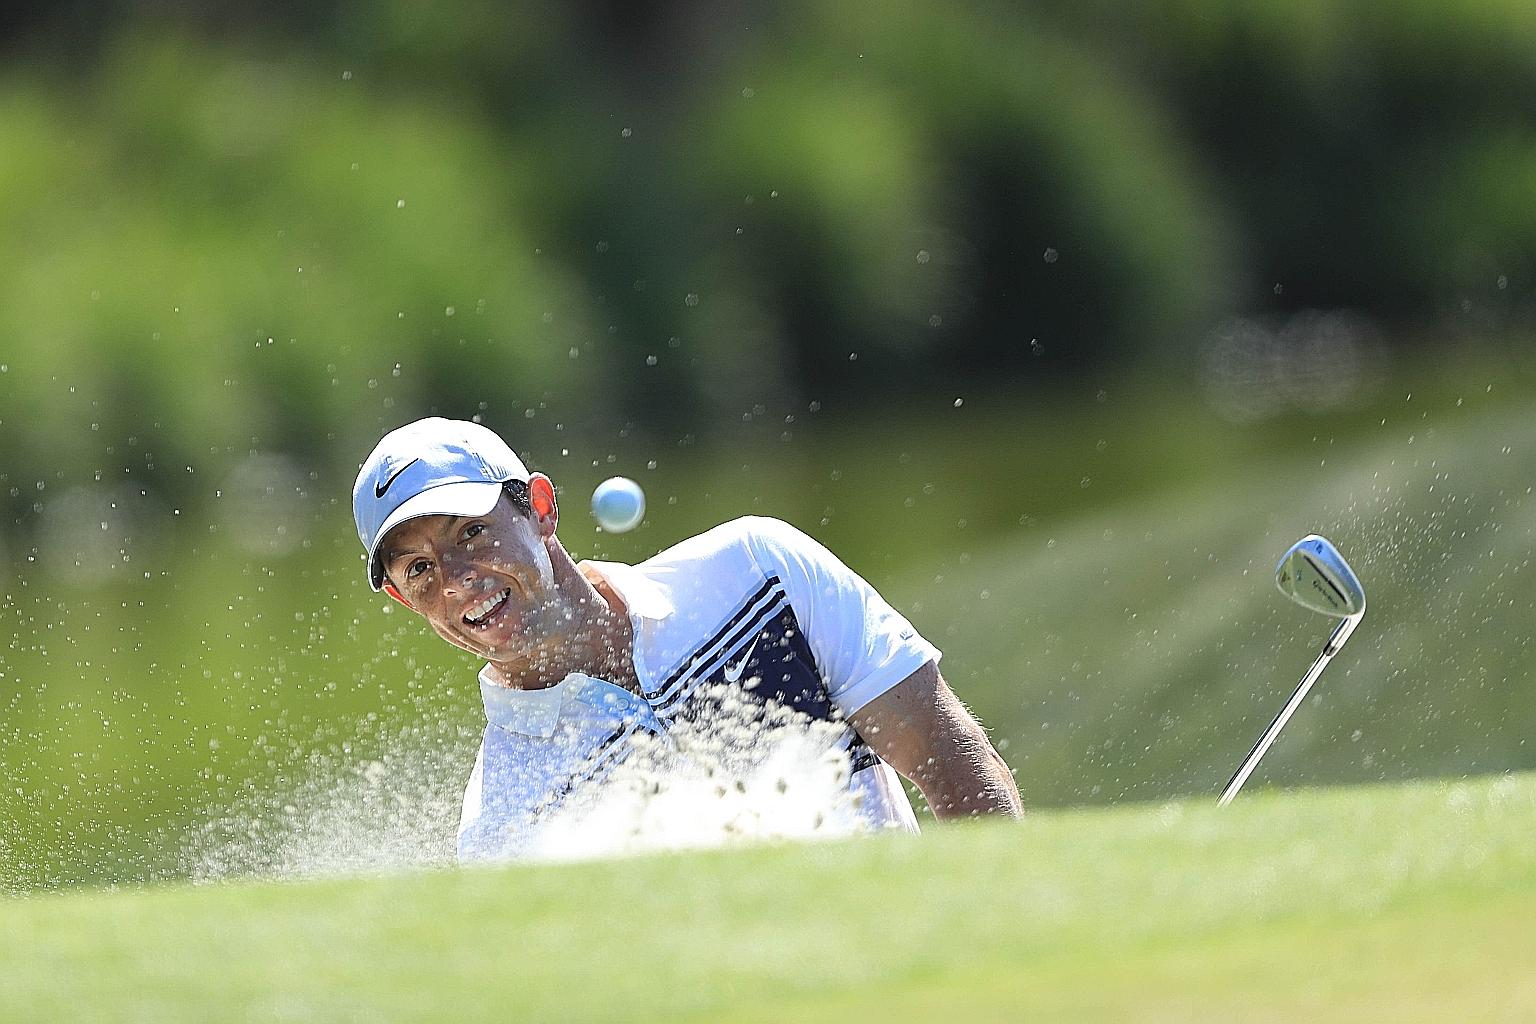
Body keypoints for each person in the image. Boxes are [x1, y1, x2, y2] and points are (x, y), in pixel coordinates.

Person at [352, 417, 1021, 860]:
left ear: (541, 507)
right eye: (419, 570)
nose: (460, 581)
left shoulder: (758, 572)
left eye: (471, 531)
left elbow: (948, 756)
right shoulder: (503, 820)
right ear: (401, 598)